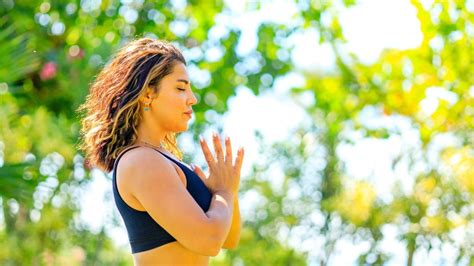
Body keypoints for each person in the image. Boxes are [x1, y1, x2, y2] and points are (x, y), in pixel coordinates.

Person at [78, 37, 244, 265]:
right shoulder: (141, 161)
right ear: (147, 94)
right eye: (180, 88)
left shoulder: (162, 159)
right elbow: (209, 240)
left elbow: (229, 239)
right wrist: (223, 193)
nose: (192, 99)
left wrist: (226, 190)